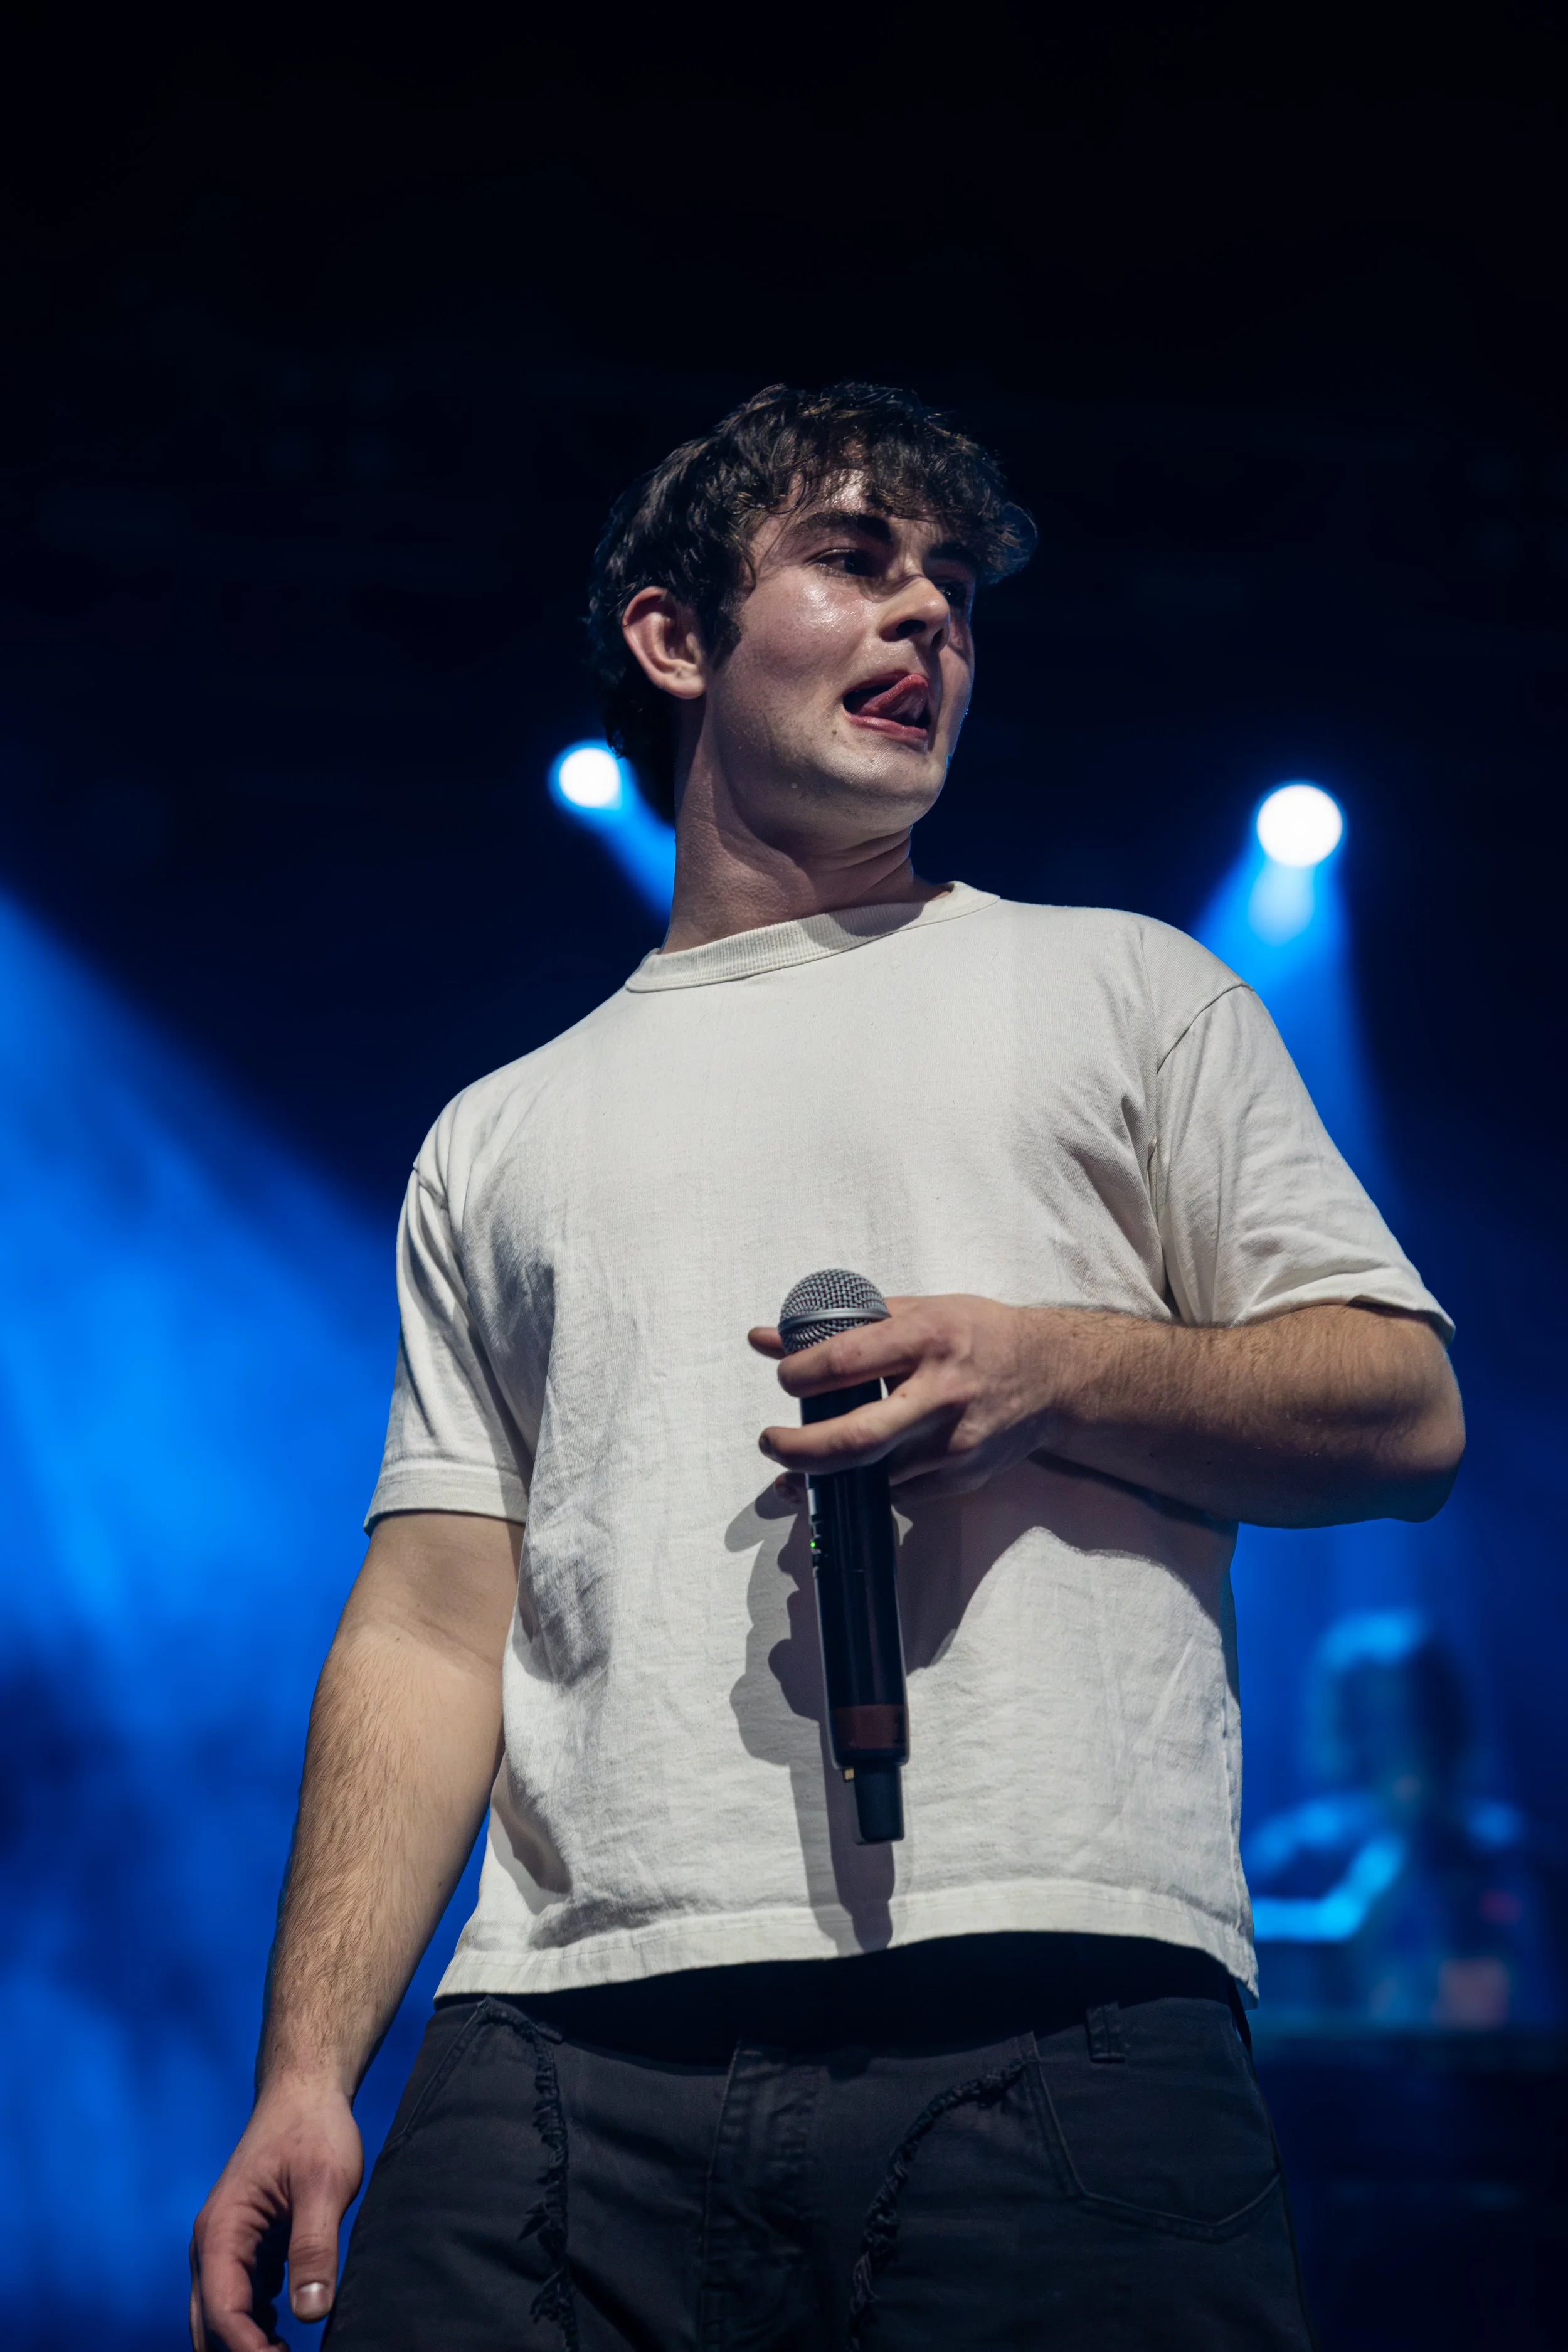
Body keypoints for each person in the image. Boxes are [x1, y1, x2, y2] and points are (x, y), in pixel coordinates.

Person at [189, 383, 1465, 2350]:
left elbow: (1400, 1406)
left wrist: (1051, 1364)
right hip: (553, 2039)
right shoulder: (500, 1129)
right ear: (672, 637)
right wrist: (305, 2062)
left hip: (1052, 2002)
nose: (925, 615)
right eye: (856, 563)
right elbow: (435, 1617)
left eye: (949, 584)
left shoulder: (1126, 984)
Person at [1247, 1609, 1561, 2026]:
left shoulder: (1518, 1858)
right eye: (1379, 1720)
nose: (1402, 1741)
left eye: (1418, 1715)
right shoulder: (1292, 1860)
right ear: (1348, 1725)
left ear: (1446, 1721)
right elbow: (1259, 1990)